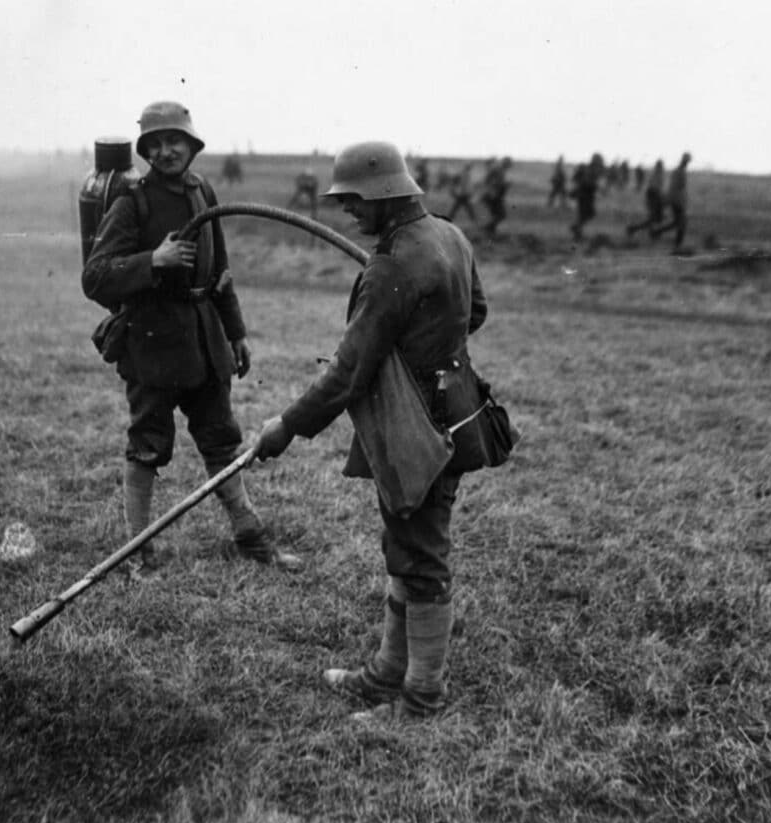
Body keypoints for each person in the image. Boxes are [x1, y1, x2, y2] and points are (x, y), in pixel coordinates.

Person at [253, 140, 490, 721]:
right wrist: (425, 345)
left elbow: (348, 373)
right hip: (455, 408)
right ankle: (387, 672)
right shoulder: (447, 234)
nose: (347, 213)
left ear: (385, 194)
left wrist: (285, 426)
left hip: (418, 425)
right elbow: (474, 311)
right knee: (406, 545)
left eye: (355, 200)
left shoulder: (392, 264)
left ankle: (420, 699)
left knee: (421, 556)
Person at [82, 100, 302, 573]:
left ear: (192, 145)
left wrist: (236, 332)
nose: (165, 152)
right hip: (151, 345)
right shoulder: (131, 202)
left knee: (222, 441)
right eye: (155, 144)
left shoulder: (204, 191)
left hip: (205, 343)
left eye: (174, 141)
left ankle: (250, 536)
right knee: (148, 445)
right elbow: (94, 276)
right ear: (144, 151)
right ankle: (138, 553)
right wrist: (151, 262)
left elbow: (220, 270)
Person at [651, 151, 691, 251]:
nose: (687, 163)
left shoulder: (677, 171)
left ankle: (657, 232)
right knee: (681, 223)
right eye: (687, 161)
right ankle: (677, 246)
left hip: (675, 200)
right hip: (677, 201)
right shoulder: (680, 172)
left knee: (677, 223)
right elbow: (679, 187)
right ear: (685, 161)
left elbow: (674, 187)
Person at [625, 159, 666, 241]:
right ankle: (636, 229)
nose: (661, 167)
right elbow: (655, 189)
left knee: (655, 218)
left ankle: (649, 232)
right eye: (661, 166)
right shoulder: (656, 175)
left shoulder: (657, 175)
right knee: (654, 218)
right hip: (654, 197)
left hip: (654, 197)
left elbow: (655, 188)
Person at [568, 154, 603, 241]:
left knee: (585, 215)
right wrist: (595, 187)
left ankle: (577, 231)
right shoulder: (590, 170)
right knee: (586, 214)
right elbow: (587, 183)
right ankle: (576, 231)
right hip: (585, 196)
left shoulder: (590, 169)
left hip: (585, 195)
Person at [479, 157, 511, 238]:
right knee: (501, 215)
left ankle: (490, 231)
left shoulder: (501, 170)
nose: (510, 166)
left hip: (495, 196)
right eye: (509, 163)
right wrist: (492, 189)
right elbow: (487, 180)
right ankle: (487, 228)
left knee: (497, 214)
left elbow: (496, 182)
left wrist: (504, 185)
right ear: (505, 163)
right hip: (492, 196)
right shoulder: (498, 170)